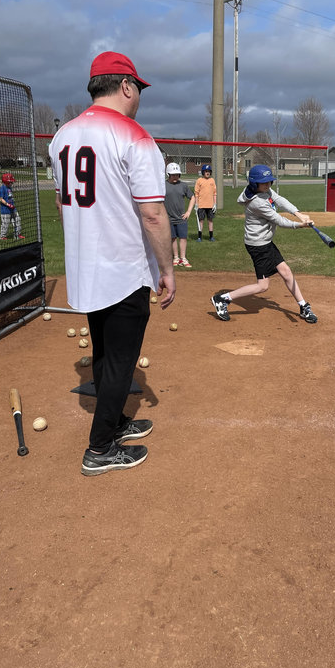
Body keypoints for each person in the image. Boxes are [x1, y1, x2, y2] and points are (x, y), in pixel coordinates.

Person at [49, 50, 175, 476]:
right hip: (122, 268)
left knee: (104, 353)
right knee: (121, 360)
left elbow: (61, 203)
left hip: (85, 267)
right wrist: (168, 270)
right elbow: (153, 214)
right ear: (125, 86)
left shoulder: (62, 135)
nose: (138, 96)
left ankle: (116, 423)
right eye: (137, 88)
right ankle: (100, 449)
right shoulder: (134, 136)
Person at [211, 164, 318, 324]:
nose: (268, 185)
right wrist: (300, 225)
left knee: (286, 272)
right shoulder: (256, 202)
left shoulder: (263, 190)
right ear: (254, 184)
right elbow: (279, 220)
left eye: (269, 181)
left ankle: (303, 306)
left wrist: (298, 213)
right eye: (264, 182)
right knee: (262, 286)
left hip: (265, 242)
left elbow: (279, 199)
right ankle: (223, 299)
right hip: (258, 245)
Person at [164, 162, 195, 267]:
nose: (175, 177)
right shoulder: (163, 185)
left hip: (181, 217)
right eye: (173, 175)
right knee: (172, 238)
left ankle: (183, 258)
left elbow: (192, 197)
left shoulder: (183, 185)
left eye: (177, 174)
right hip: (168, 218)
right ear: (168, 174)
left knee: (183, 237)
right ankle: (176, 257)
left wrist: (188, 212)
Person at [194, 163, 217, 241]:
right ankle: (199, 236)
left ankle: (211, 236)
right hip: (201, 205)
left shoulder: (212, 180)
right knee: (201, 221)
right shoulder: (199, 181)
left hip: (210, 205)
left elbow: (214, 193)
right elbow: (196, 193)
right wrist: (196, 204)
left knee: (210, 221)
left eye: (209, 171)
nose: (207, 173)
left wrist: (215, 204)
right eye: (206, 171)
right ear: (203, 172)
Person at [0, 173, 25, 240]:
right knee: (5, 223)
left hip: (13, 208)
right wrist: (8, 204)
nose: (11, 183)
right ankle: (2, 236)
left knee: (17, 220)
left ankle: (17, 234)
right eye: (10, 182)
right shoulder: (2, 188)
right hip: (5, 210)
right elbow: (0, 199)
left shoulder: (9, 187)